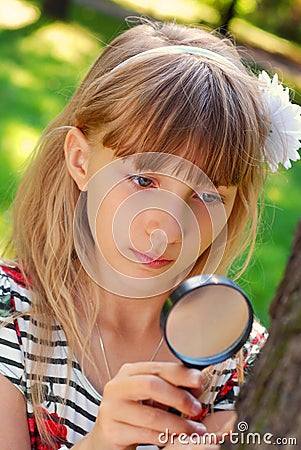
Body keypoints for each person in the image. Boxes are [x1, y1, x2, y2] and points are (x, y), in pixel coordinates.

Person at [0, 17, 300, 450]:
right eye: (144, 181)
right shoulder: (12, 319)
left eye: (206, 195)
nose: (165, 226)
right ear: (81, 161)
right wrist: (101, 442)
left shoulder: (243, 364)